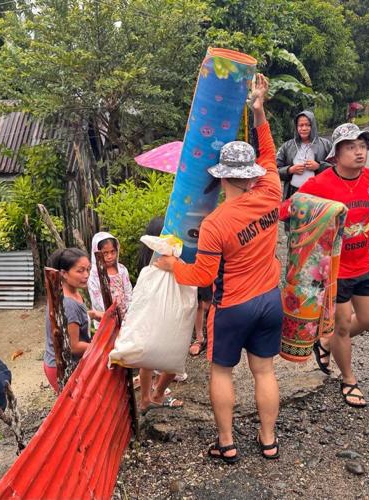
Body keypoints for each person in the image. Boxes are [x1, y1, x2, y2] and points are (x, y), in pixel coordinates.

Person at [155, 74, 282, 463]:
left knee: (222, 373)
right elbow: (270, 155)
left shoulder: (216, 223)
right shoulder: (273, 190)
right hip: (270, 300)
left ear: (222, 175)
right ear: (252, 174)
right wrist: (258, 110)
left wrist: (171, 263)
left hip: (233, 307)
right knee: (263, 372)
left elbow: (203, 278)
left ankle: (226, 443)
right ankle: (268, 441)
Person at [284, 122, 369, 408]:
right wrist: (260, 216)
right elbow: (292, 208)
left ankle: (326, 342)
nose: (359, 153)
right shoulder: (321, 183)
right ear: (336, 154)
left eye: (362, 146)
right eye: (351, 147)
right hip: (335, 271)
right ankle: (348, 379)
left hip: (364, 265)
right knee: (343, 326)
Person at [135, 215, 184, 413]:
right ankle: (152, 396)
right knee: (169, 356)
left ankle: (151, 396)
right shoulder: (156, 264)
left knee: (155, 358)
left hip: (156, 314)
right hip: (163, 314)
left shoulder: (154, 262)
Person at [43, 248, 102, 393]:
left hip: (63, 362)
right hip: (61, 367)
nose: (86, 275)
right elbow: (73, 346)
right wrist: (103, 347)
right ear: (63, 273)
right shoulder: (68, 304)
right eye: (80, 271)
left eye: (88, 270)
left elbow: (74, 321)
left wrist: (93, 314)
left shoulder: (70, 293)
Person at [276, 110, 333, 199]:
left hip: (319, 195)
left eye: (307, 125)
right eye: (300, 125)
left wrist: (319, 166)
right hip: (293, 195)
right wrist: (289, 170)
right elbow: (274, 170)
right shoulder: (287, 146)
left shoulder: (326, 144)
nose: (304, 128)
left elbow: (337, 170)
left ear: (313, 126)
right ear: (296, 127)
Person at [87, 232, 133, 322]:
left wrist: (128, 312)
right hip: (105, 319)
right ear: (97, 253)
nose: (110, 256)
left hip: (125, 318)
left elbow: (128, 292)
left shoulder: (122, 270)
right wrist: (112, 315)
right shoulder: (94, 275)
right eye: (105, 253)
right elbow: (97, 301)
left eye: (113, 252)